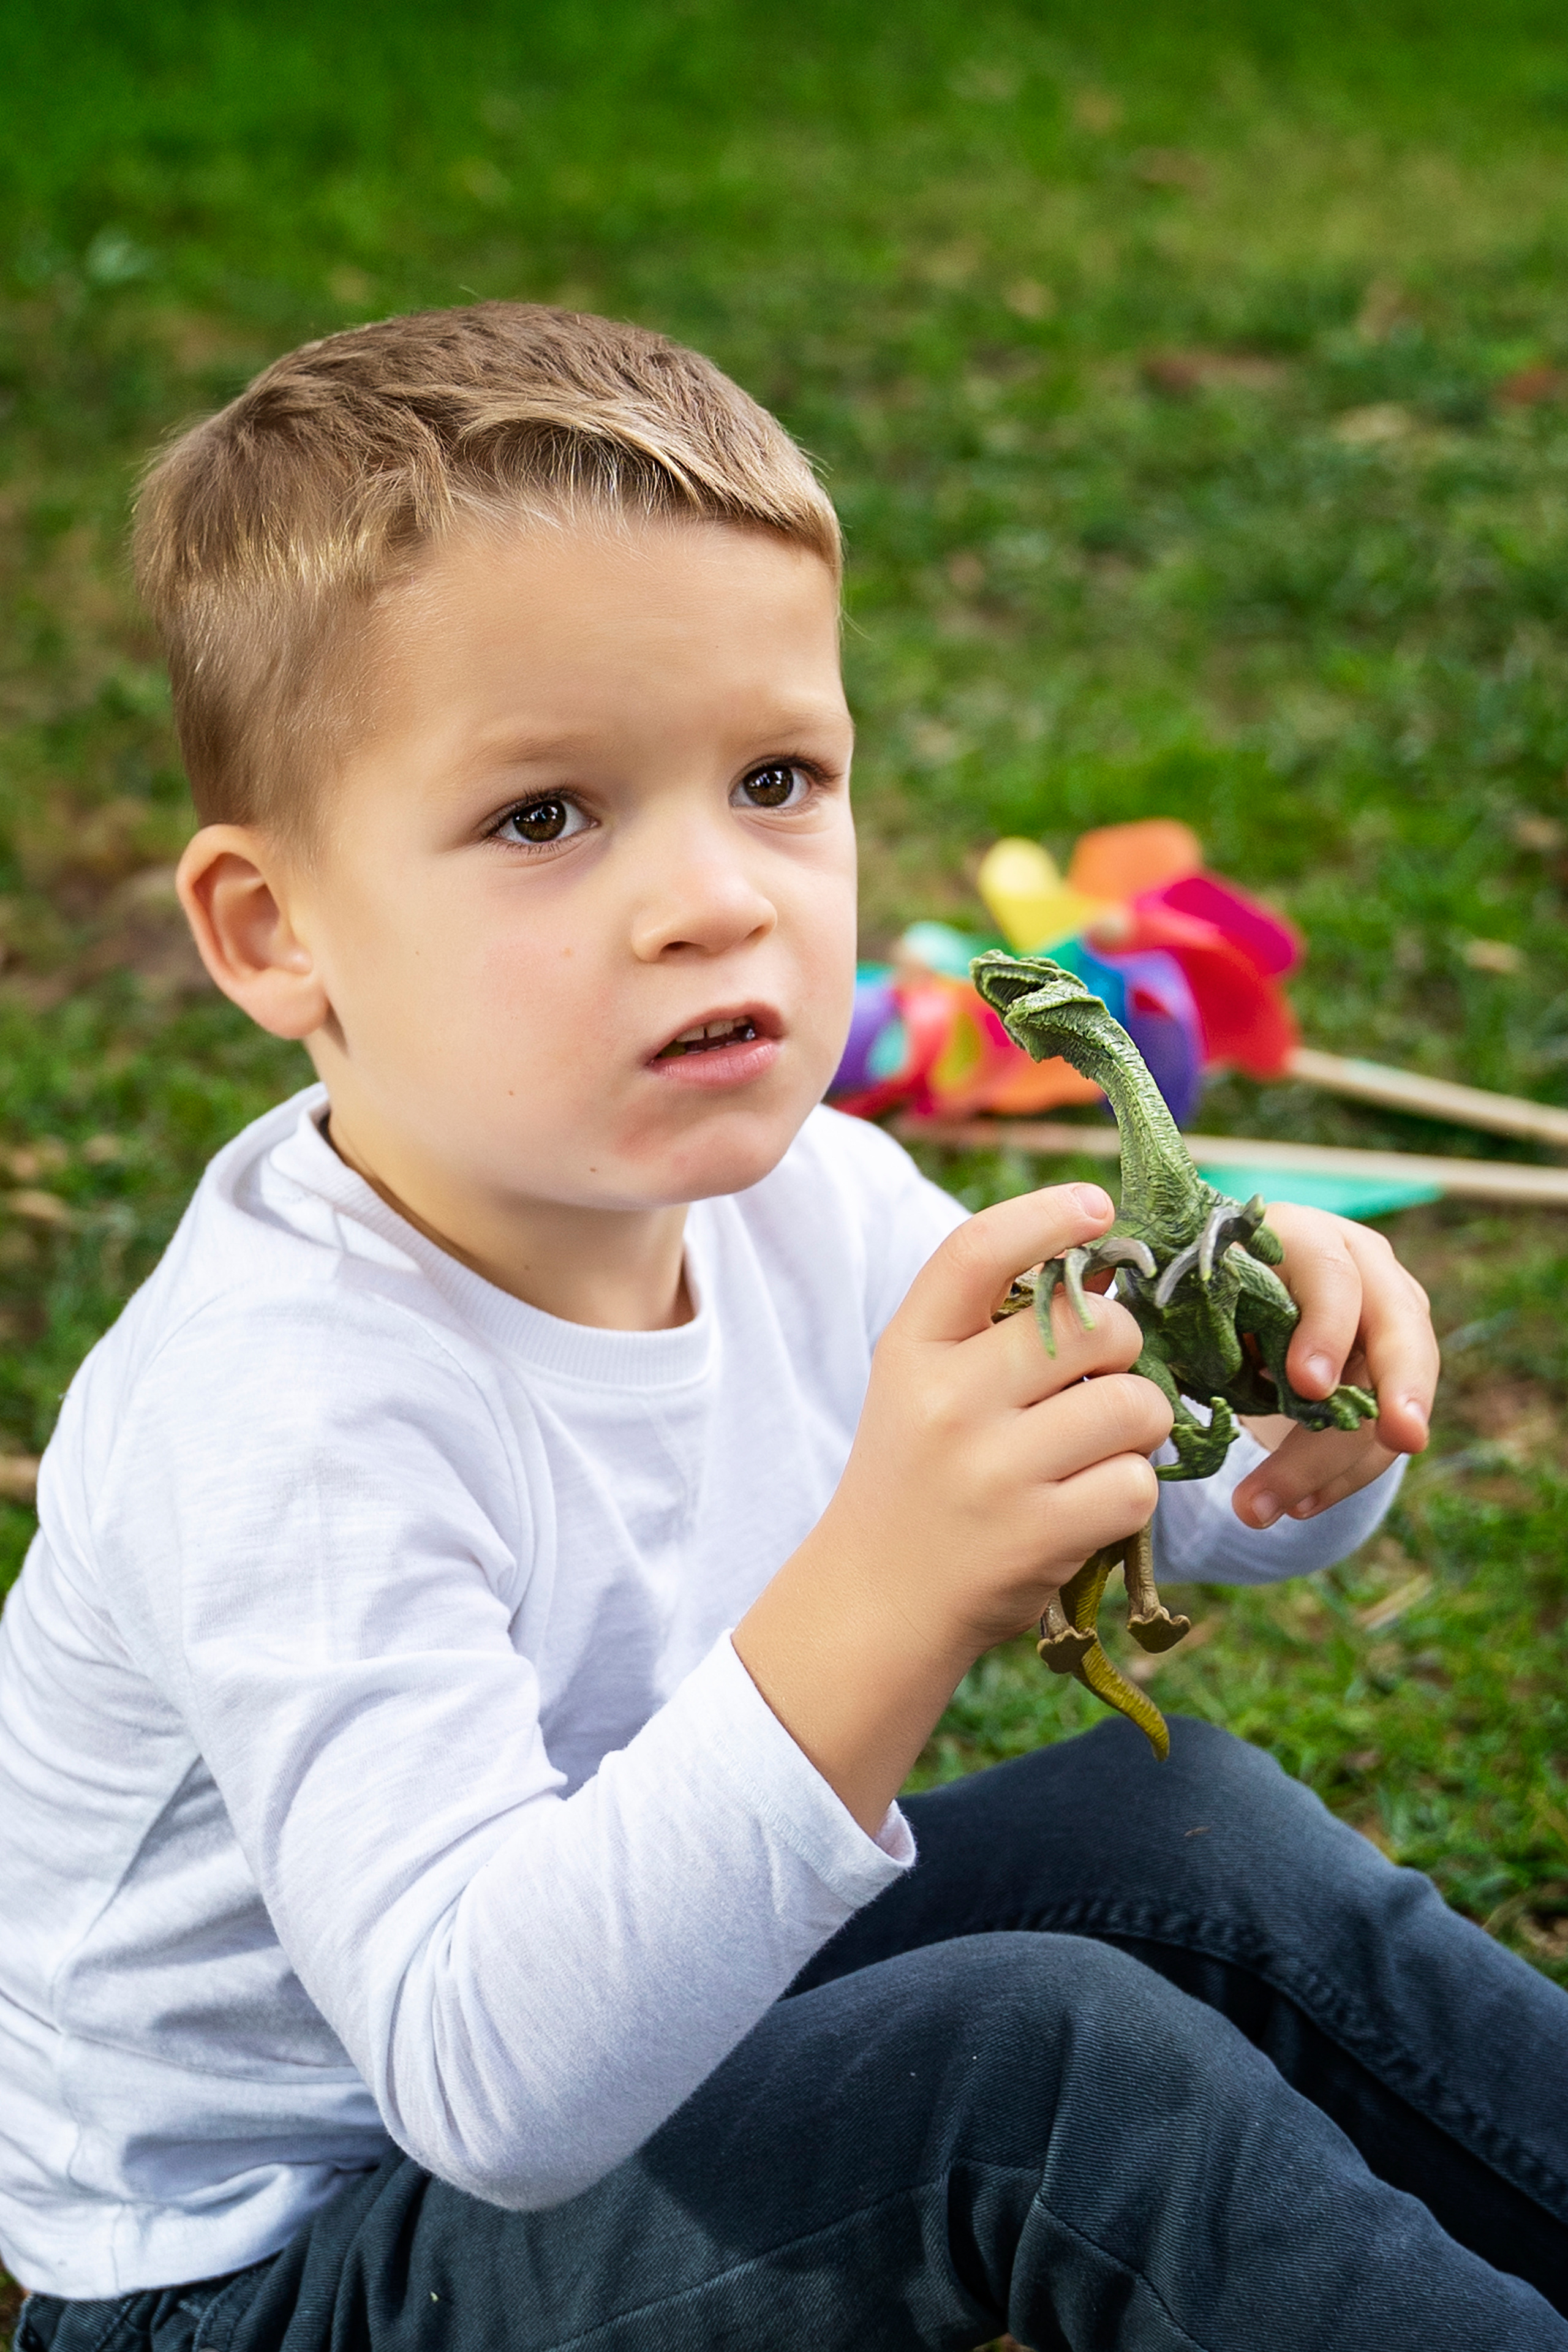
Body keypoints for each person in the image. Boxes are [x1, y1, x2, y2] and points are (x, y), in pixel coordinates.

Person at [0, 304, 1563, 2352]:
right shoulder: (284, 1409)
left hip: (643, 2037)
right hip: (273, 2274)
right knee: (1030, 2080)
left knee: (1171, 1826)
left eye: (773, 778)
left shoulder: (808, 1202)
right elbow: (485, 2084)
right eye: (548, 814)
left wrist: (1290, 1418)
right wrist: (881, 1594)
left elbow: (1172, 1510)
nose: (713, 898)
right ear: (273, 933)